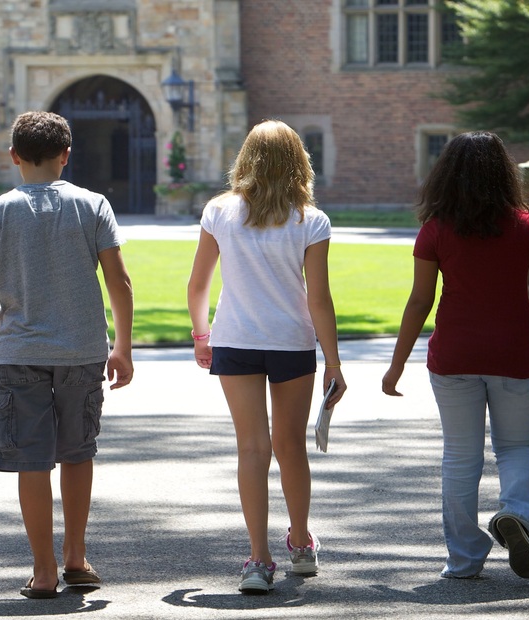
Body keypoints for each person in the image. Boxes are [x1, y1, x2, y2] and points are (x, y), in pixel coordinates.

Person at [0, 110, 134, 599]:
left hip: (19, 353)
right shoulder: (94, 205)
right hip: (83, 350)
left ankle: (43, 571)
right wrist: (122, 346)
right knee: (78, 454)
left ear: (13, 157)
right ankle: (77, 558)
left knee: (32, 461)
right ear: (66, 155)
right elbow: (119, 282)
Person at [380, 131, 529, 581]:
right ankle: (516, 516)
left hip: (454, 357)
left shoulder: (435, 230)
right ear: (504, 173)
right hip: (514, 355)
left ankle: (466, 559)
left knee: (460, 456)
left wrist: (395, 366)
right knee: (515, 447)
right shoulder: (528, 226)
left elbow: (419, 302)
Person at [186, 119, 347, 594]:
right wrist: (334, 364)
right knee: (290, 446)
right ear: (299, 161)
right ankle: (300, 544)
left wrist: (201, 334)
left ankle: (258, 560)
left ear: (246, 159)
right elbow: (320, 299)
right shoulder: (310, 219)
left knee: (252, 450)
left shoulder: (218, 210)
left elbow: (198, 284)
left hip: (234, 340)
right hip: (292, 342)